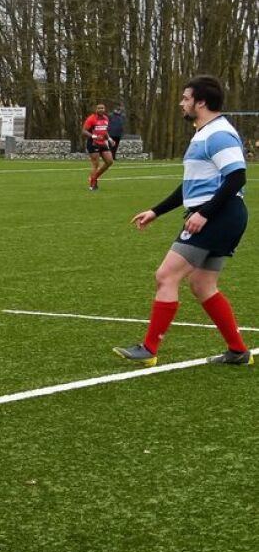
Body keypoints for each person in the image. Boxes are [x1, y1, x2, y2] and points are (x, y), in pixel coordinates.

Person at [113, 75, 249, 367]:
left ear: (201, 102)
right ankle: (238, 351)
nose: (181, 103)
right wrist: (156, 211)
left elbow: (237, 177)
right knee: (202, 284)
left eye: (186, 98)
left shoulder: (219, 134)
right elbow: (191, 186)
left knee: (166, 276)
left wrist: (205, 213)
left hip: (218, 216)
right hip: (222, 215)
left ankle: (149, 349)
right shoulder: (204, 133)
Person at [84, 103, 114, 190]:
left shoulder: (106, 118)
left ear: (105, 109)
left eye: (102, 108)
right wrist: (94, 136)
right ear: (96, 110)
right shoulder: (91, 118)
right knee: (96, 164)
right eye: (99, 108)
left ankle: (94, 177)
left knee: (109, 161)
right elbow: (84, 131)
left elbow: (104, 131)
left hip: (102, 143)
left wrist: (110, 139)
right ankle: (92, 185)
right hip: (93, 143)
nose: (101, 109)